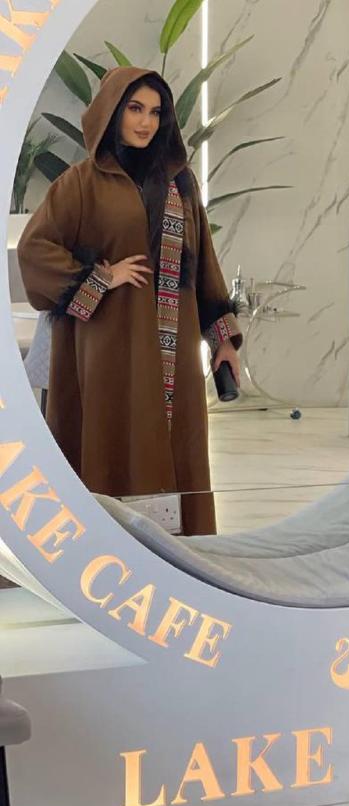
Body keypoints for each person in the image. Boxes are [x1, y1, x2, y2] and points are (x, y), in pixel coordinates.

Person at [18, 67, 241, 535]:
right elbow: (35, 250)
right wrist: (101, 277)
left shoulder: (181, 184)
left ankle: (175, 550)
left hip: (174, 354)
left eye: (156, 112)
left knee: (175, 443)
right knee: (112, 437)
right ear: (112, 112)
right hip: (107, 347)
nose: (145, 122)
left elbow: (204, 264)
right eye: (135, 109)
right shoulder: (81, 183)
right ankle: (109, 548)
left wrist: (223, 340)